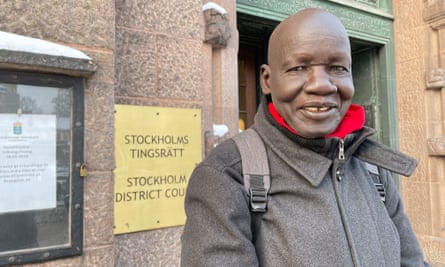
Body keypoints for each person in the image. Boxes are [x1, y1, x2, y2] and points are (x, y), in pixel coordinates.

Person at [181, 8, 430, 266]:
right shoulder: (225, 176)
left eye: (338, 68)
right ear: (267, 80)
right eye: (299, 67)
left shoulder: (373, 168)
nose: (321, 85)